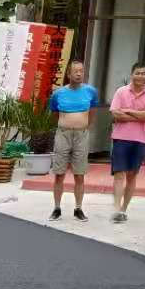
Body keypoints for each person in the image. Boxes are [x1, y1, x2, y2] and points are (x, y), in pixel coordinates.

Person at [48, 60, 100, 222]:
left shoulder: (91, 91)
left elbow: (92, 112)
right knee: (59, 174)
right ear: (68, 74)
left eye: (81, 71)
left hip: (81, 135)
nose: (78, 74)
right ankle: (57, 208)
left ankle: (78, 208)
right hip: (63, 134)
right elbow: (54, 113)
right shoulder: (58, 93)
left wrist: (85, 126)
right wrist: (66, 124)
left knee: (79, 174)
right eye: (75, 71)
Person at [108, 63, 145, 222]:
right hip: (121, 138)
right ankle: (116, 209)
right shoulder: (121, 91)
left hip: (140, 140)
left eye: (144, 73)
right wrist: (139, 116)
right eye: (138, 73)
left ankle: (124, 210)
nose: (140, 76)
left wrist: (128, 111)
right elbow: (115, 114)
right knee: (119, 174)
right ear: (132, 74)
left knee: (132, 176)